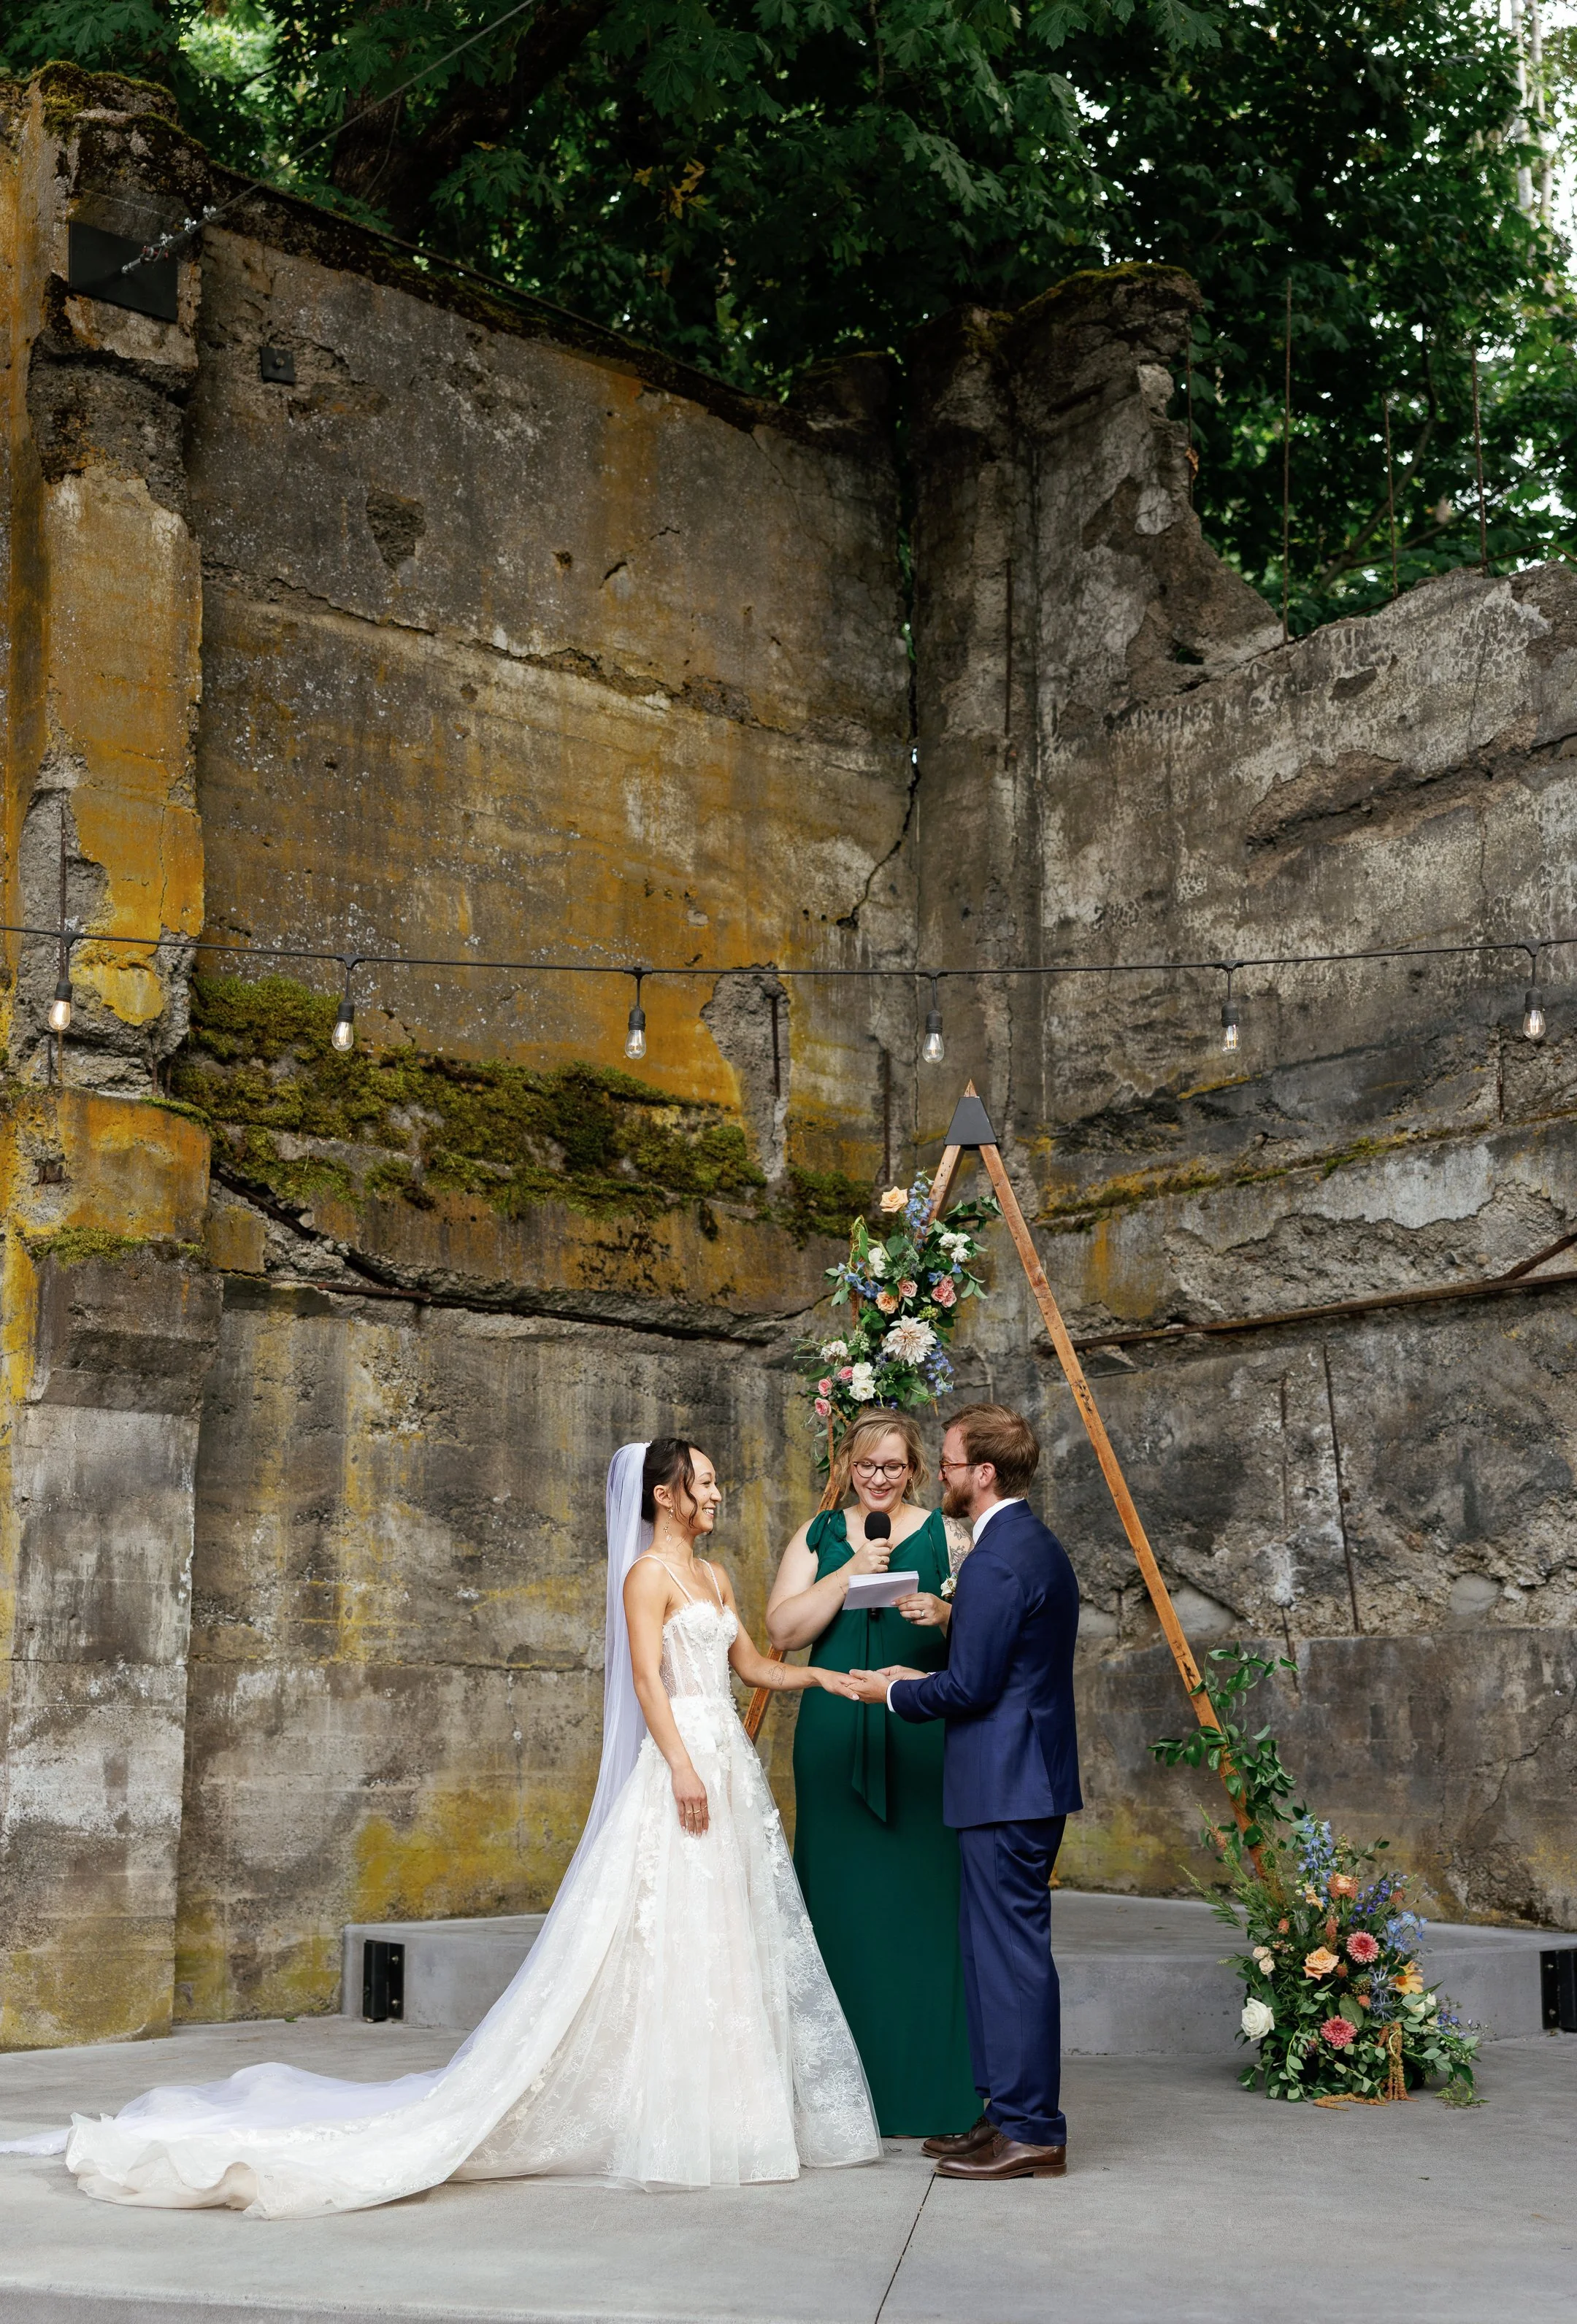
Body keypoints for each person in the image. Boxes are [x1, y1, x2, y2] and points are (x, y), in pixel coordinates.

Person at [2, 1441, 881, 2213]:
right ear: (664, 1494)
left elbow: (754, 1663)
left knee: (727, 1933)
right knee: (664, 1928)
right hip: (684, 1765)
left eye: (717, 1484)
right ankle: (668, 2113)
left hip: (729, 1766)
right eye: (705, 1482)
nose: (718, 1495)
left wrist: (824, 1680)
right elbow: (651, 1683)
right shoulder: (646, 1575)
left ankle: (730, 2110)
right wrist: (683, 1765)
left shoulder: (718, 1577)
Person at [848, 1402, 1081, 2182]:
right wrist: (929, 1677)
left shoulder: (998, 1557)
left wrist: (892, 1693)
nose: (941, 1474)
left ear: (983, 1472)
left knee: (1012, 1959)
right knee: (991, 1956)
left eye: (947, 1462)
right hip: (1011, 1780)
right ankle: (1003, 2113)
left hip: (1008, 1786)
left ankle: (1034, 2129)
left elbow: (974, 1686)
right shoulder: (1018, 1544)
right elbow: (990, 1671)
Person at [767, 1407, 978, 2136]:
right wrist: (850, 1572)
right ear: (849, 1468)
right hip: (831, 1739)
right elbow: (782, 1632)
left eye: (892, 1466)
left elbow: (992, 1632)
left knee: (922, 1909)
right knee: (840, 1909)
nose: (879, 1478)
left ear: (915, 1468)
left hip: (919, 1735)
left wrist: (946, 1615)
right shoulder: (819, 1534)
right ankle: (834, 2098)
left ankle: (927, 2091)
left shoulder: (951, 1534)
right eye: (866, 1466)